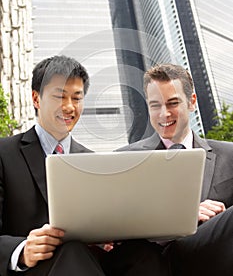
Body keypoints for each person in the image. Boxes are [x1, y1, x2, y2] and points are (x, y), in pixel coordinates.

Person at [0, 55, 169, 276]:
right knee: (72, 251)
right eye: (60, 96)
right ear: (36, 99)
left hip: (90, 261)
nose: (69, 107)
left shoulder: (94, 161)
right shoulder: (5, 153)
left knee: (144, 254)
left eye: (77, 98)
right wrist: (22, 251)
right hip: (38, 268)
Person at [117, 63, 233, 276]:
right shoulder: (123, 160)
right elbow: (114, 225)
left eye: (173, 103)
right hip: (150, 262)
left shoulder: (230, 156)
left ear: (192, 102)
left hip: (212, 257)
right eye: (155, 105)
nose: (164, 114)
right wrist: (184, 215)